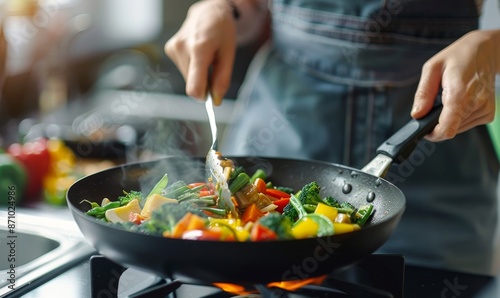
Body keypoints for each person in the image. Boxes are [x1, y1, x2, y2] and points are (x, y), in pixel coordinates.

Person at [165, 0, 500, 275]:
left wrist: (491, 47)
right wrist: (222, 9)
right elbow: (251, 7)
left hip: (436, 151)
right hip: (285, 128)